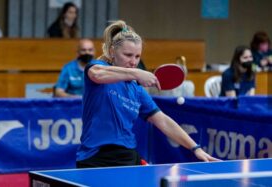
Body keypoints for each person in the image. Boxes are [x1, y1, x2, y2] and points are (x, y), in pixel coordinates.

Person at [76, 20, 218, 168]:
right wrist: (136, 73)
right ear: (112, 51)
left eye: (137, 57)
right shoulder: (98, 68)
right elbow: (97, 75)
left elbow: (163, 121)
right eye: (128, 55)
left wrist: (196, 148)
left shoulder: (136, 90)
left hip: (126, 156)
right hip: (95, 157)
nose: (133, 61)